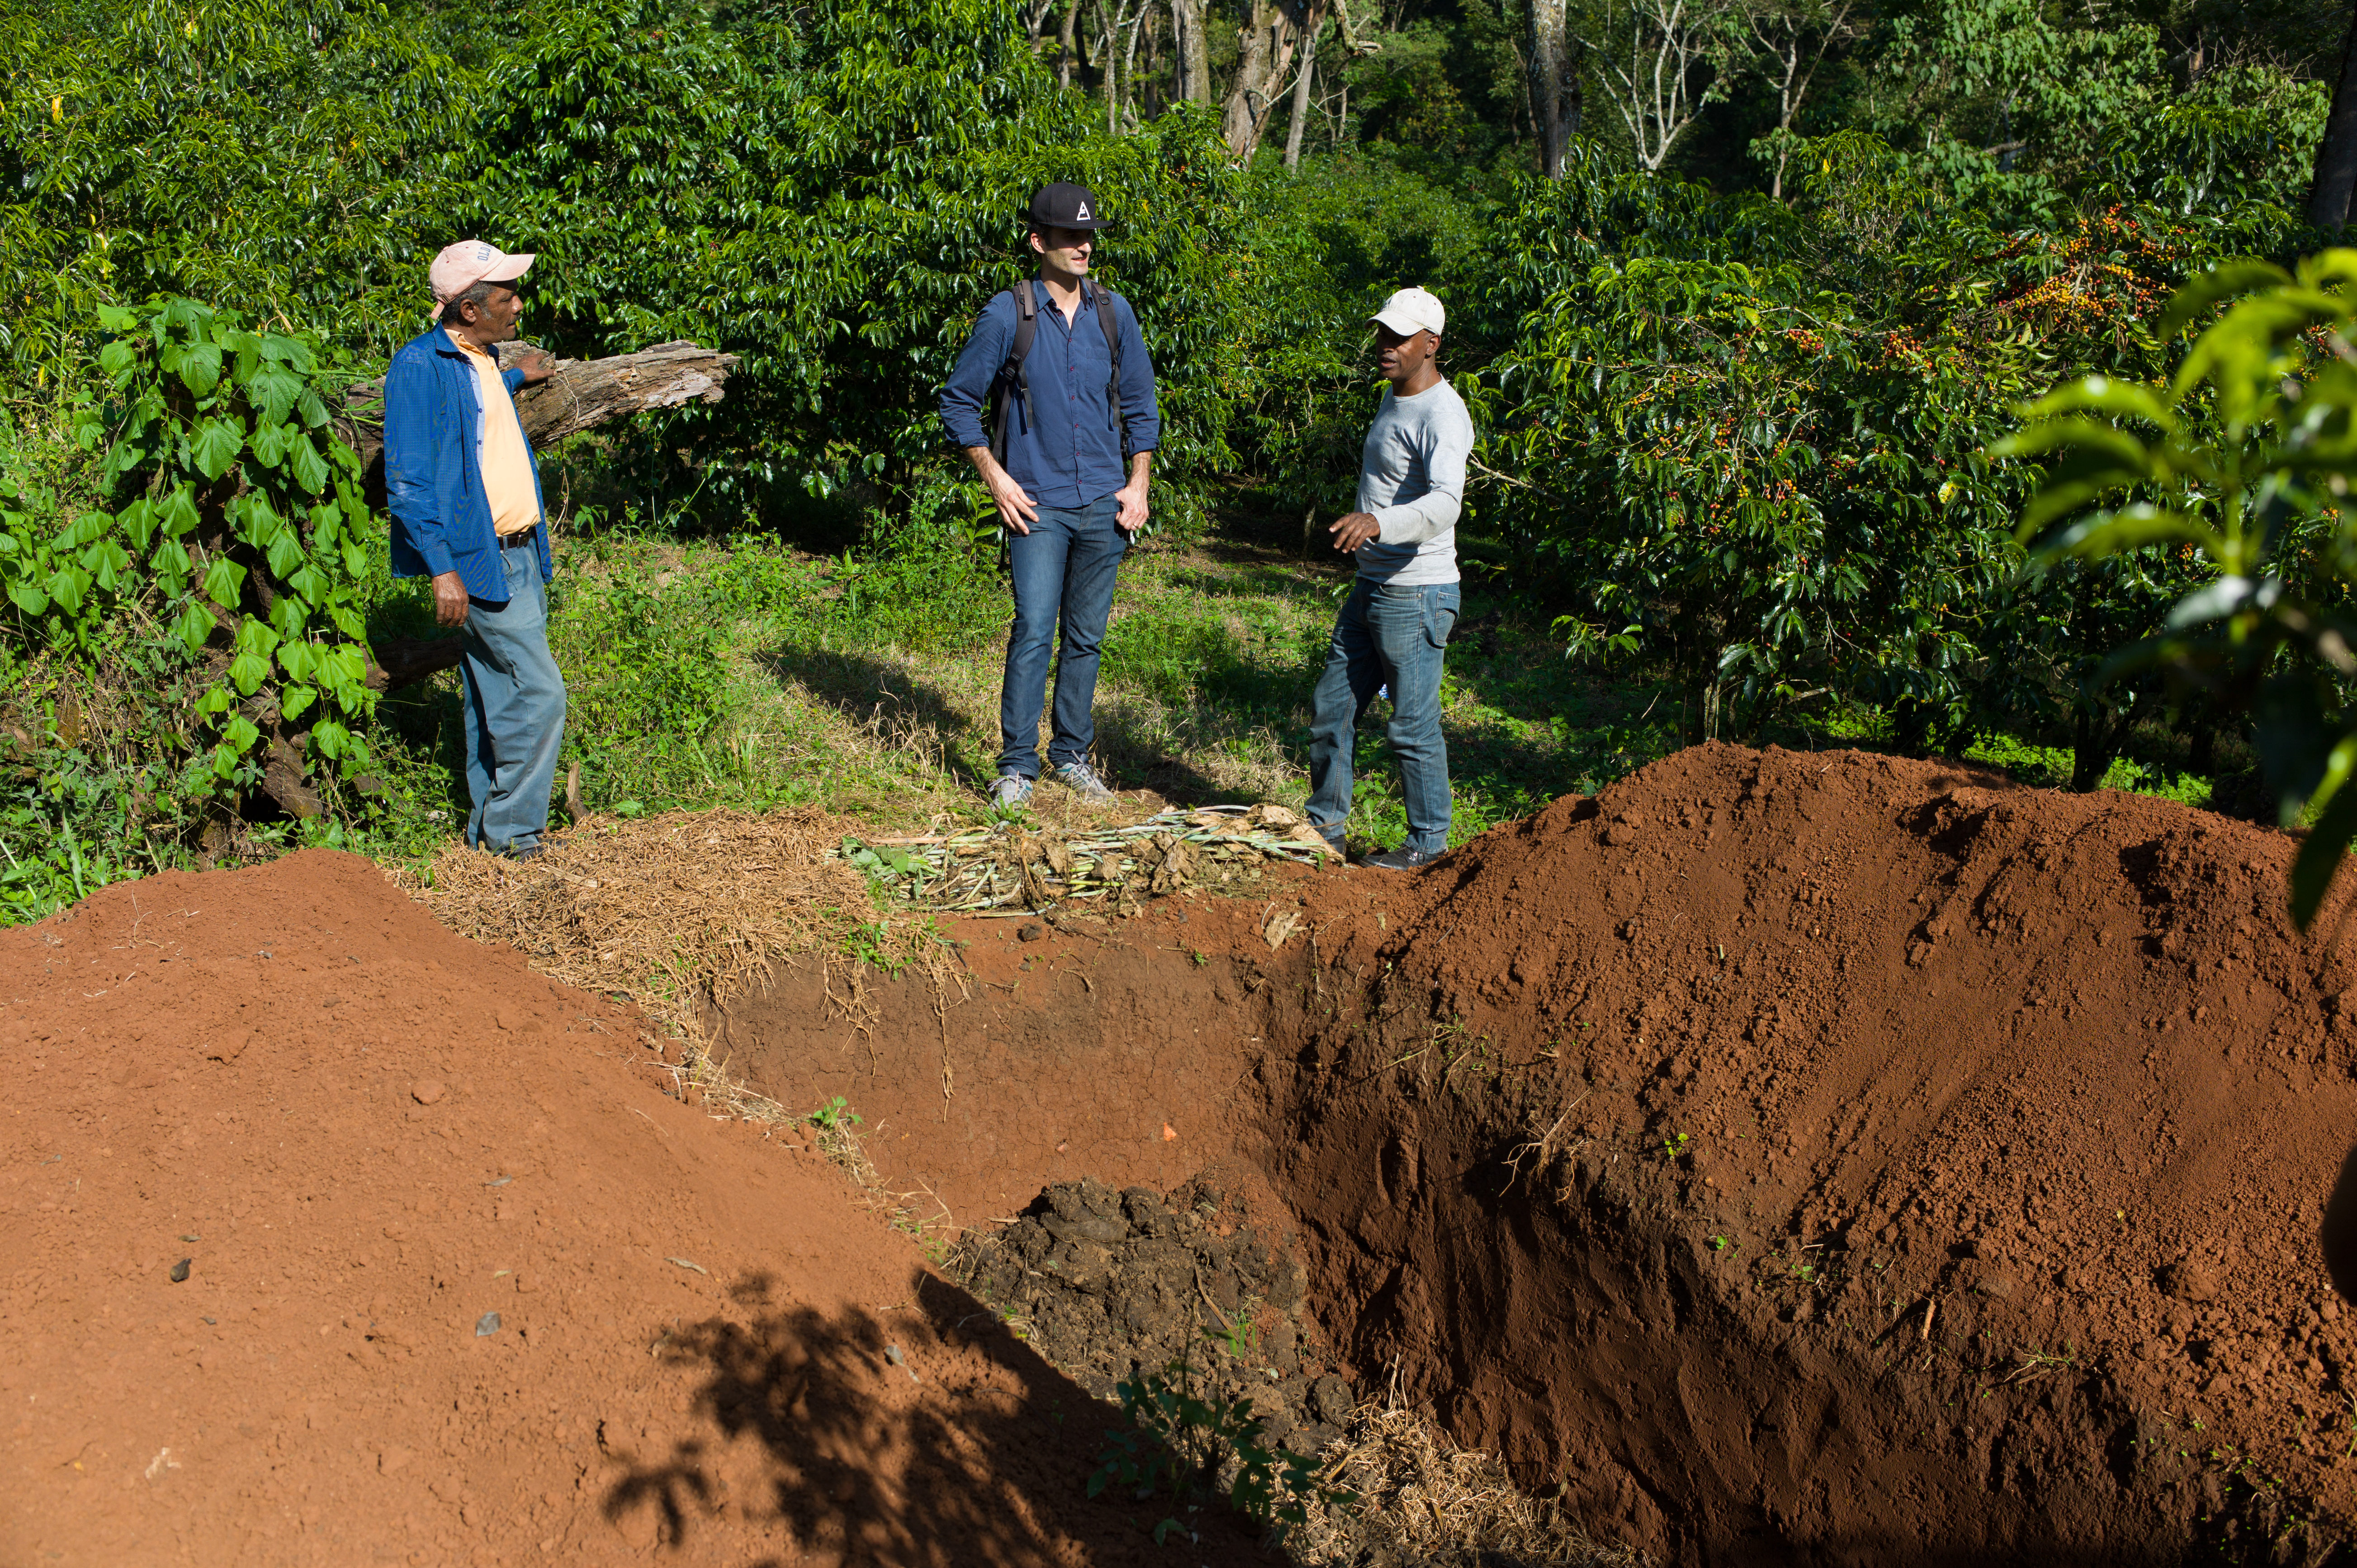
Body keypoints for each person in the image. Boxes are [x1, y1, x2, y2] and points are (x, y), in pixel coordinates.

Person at [940, 182, 1160, 812]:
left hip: (1105, 504)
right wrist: (997, 478)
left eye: (1089, 236)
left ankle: (1071, 756)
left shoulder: (1115, 313)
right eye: (1070, 236)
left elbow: (1143, 407)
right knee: (1035, 629)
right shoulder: (1008, 314)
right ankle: (1016, 766)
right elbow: (958, 402)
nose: (1083, 246)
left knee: (1086, 637)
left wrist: (1138, 481)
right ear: (1040, 242)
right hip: (1036, 503)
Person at [383, 239, 565, 859]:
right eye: (506, 295)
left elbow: (474, 412)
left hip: (521, 553)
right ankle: (517, 837)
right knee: (541, 693)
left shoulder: (480, 358)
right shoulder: (419, 366)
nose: (517, 304)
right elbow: (407, 483)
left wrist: (518, 375)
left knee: (497, 688)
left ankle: (492, 831)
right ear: (468, 309)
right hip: (478, 558)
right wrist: (443, 571)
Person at [1305, 286, 1474, 870]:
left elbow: (1447, 502)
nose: (1385, 346)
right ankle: (1324, 831)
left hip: (1417, 591)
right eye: (1382, 333)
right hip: (1373, 586)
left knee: (1411, 726)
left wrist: (1379, 522)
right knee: (1332, 705)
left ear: (1432, 344)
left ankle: (1428, 847)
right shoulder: (1392, 397)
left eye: (1399, 338)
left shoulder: (1443, 414)